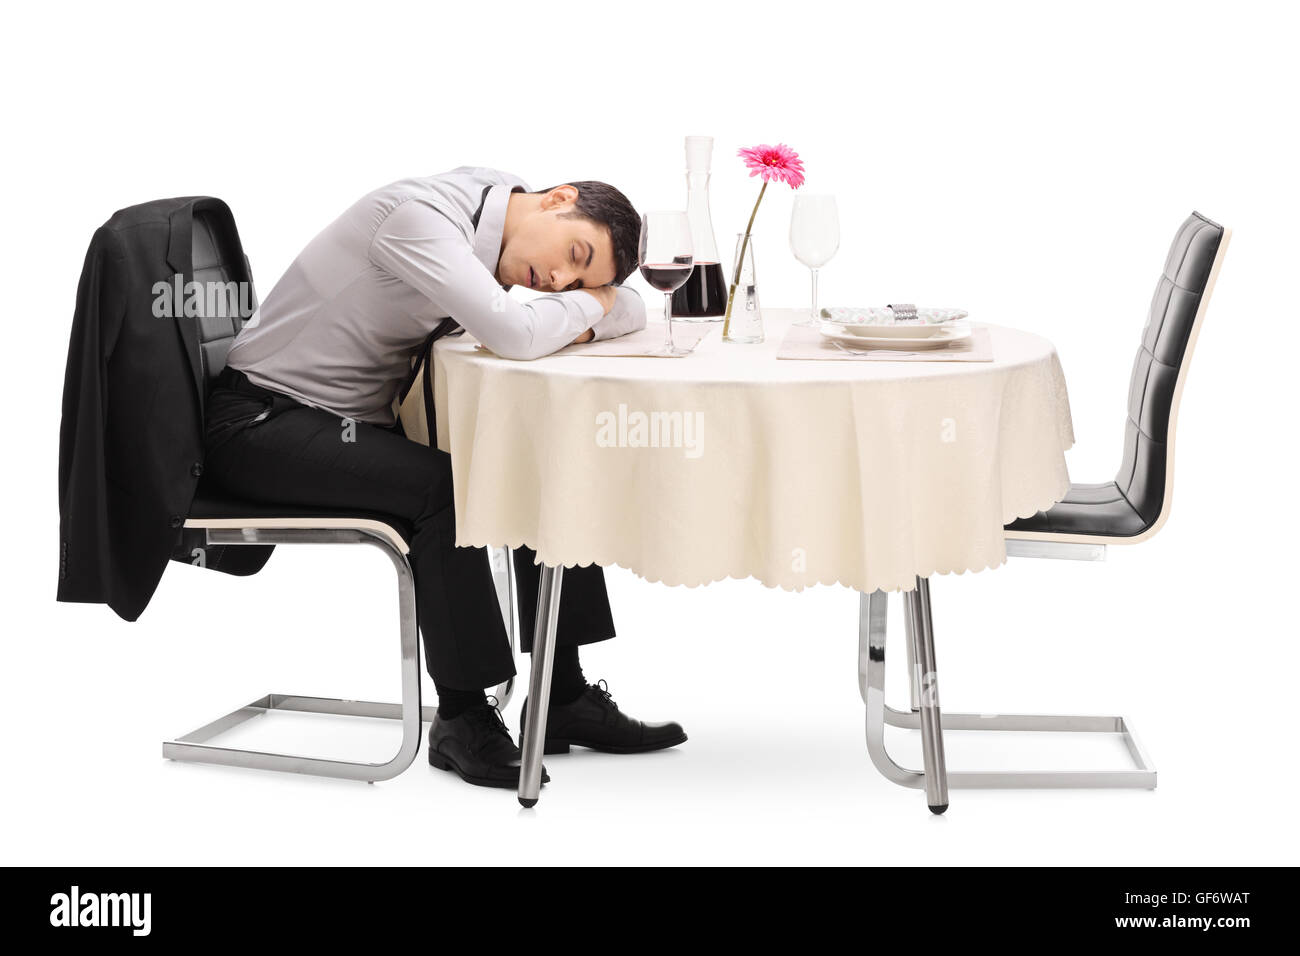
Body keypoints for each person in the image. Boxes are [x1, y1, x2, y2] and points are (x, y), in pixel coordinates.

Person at [202, 166, 686, 790]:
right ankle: (461, 717)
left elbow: (634, 310)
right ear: (558, 199)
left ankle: (562, 695)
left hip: (339, 424)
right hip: (261, 424)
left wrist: (591, 305)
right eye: (574, 254)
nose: (561, 280)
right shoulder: (420, 220)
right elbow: (514, 333)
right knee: (444, 490)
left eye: (580, 278)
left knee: (528, 462)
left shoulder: (498, 203)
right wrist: (595, 305)